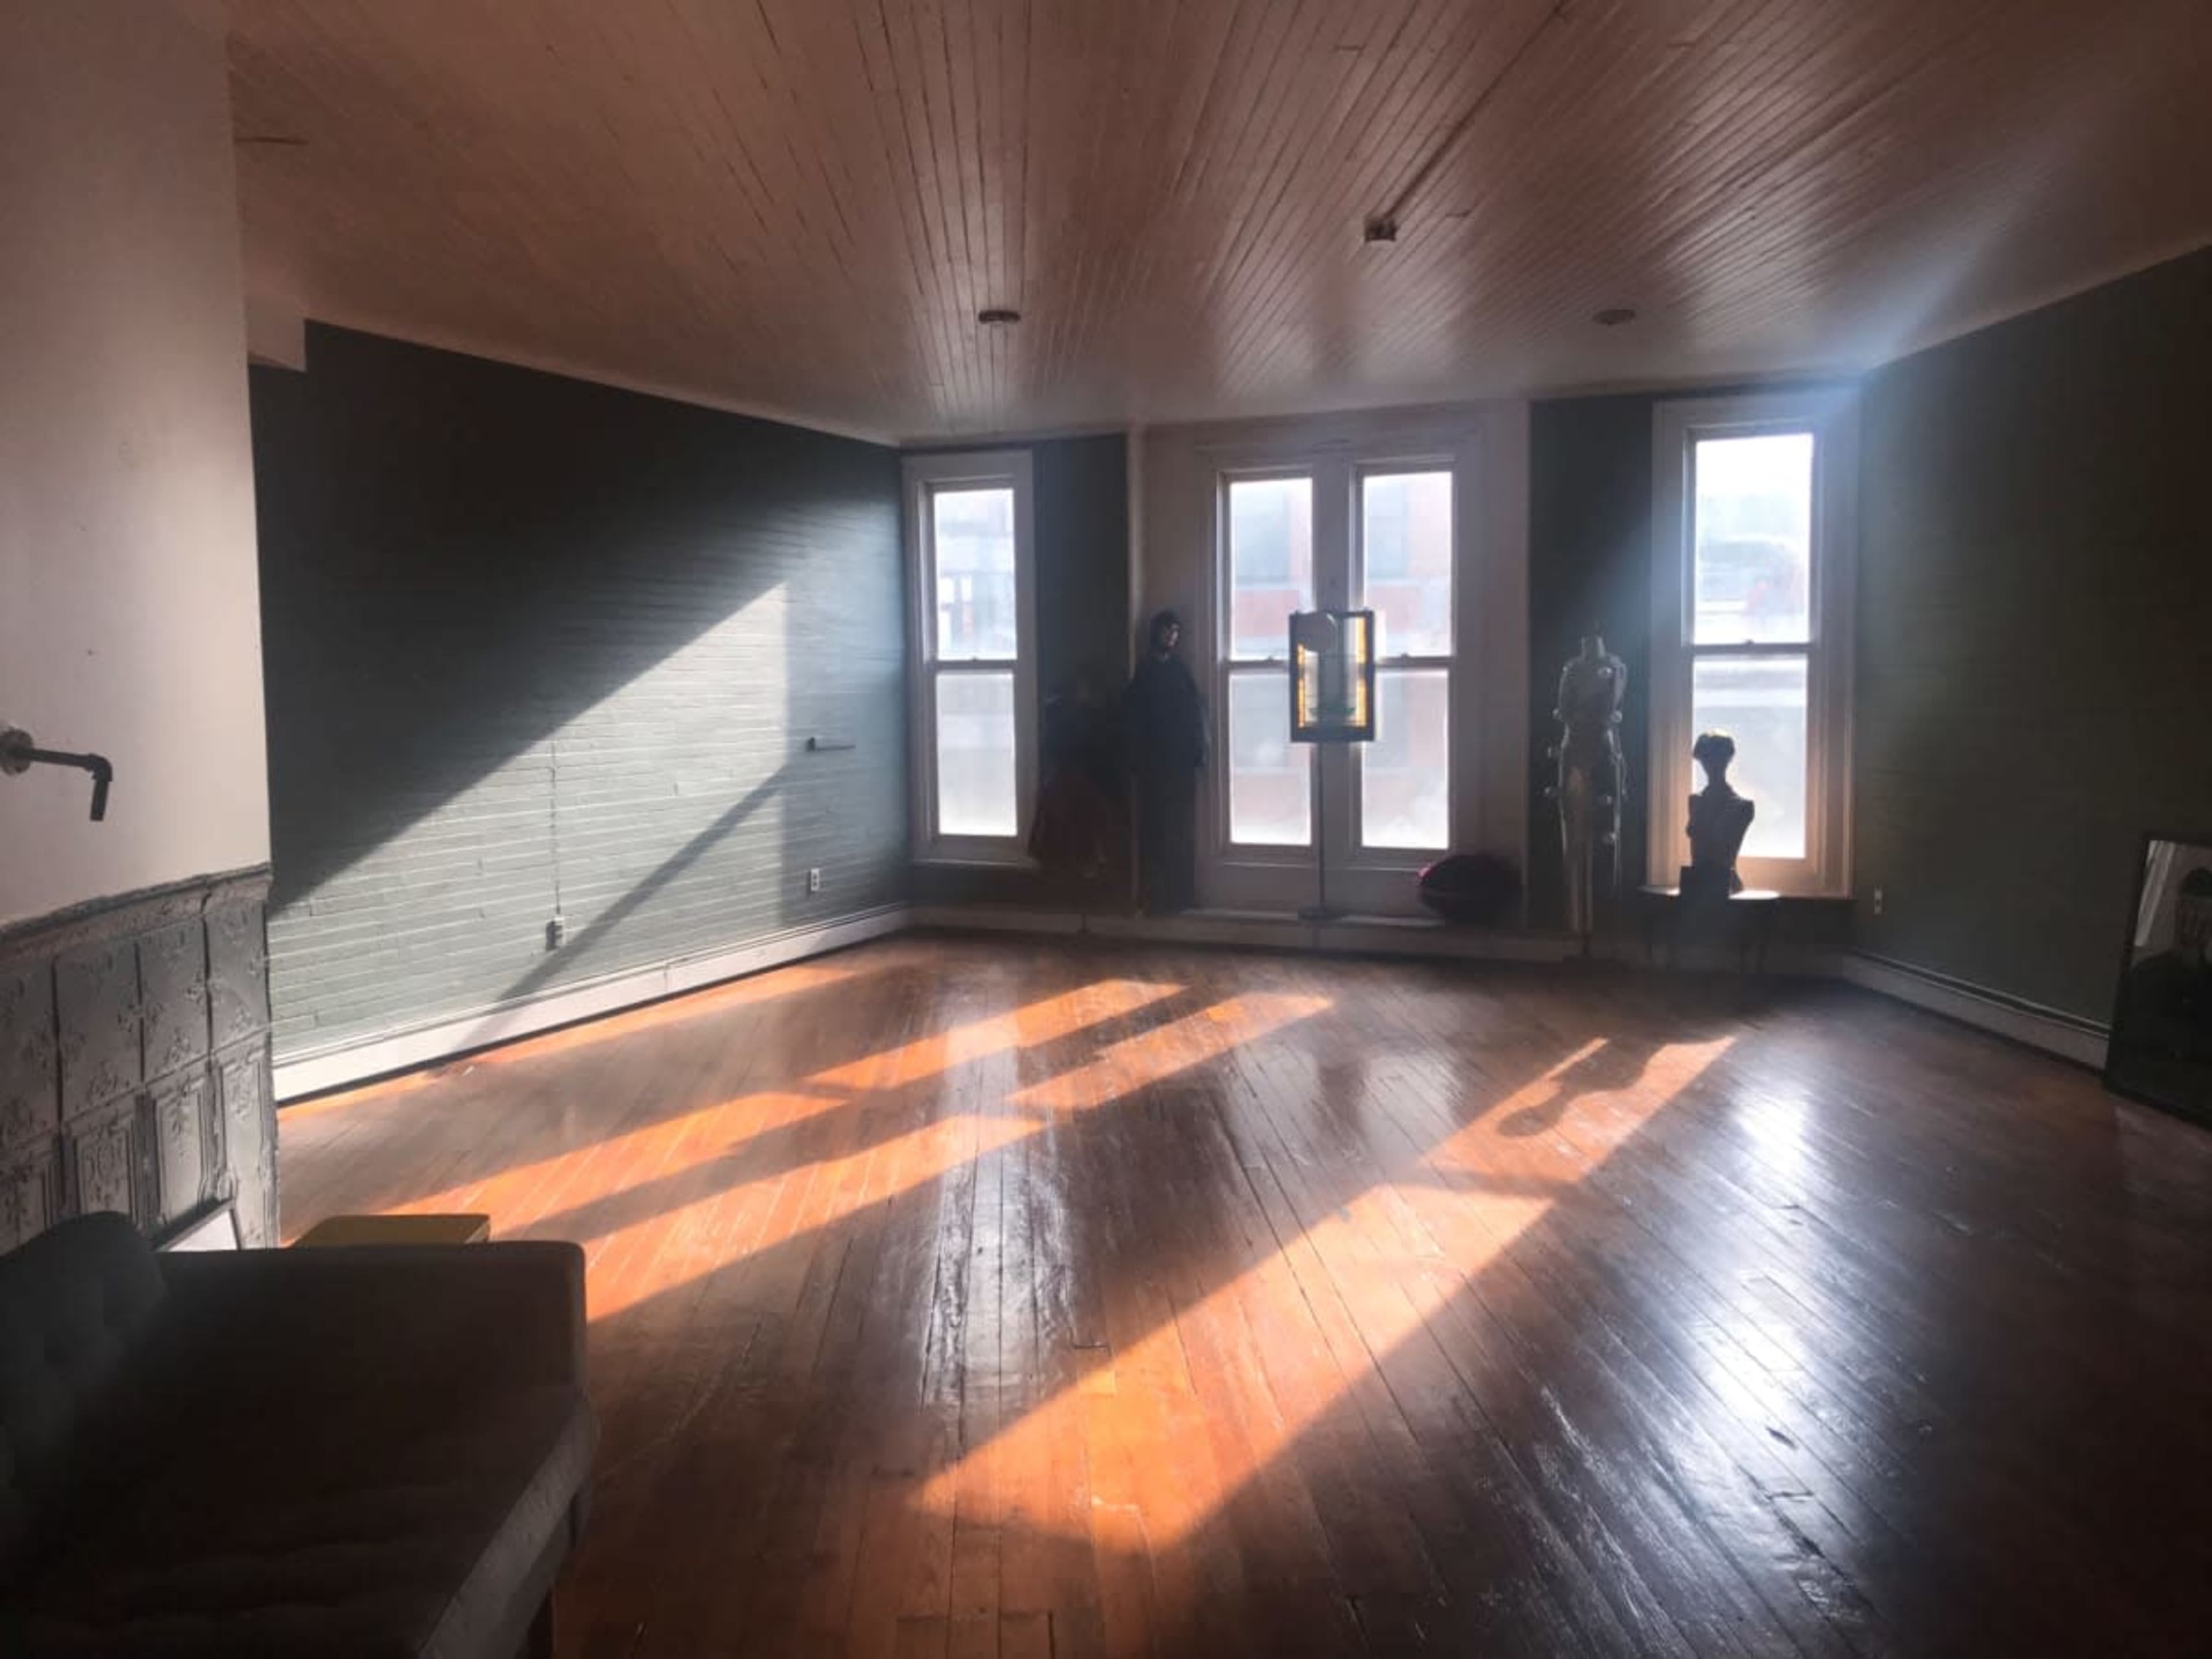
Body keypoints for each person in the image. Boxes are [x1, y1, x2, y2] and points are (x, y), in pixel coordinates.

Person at [1123, 609, 1206, 914]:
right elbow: (1133, 719)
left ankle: (1181, 894)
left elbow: (1195, 713)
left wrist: (1197, 751)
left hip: (1180, 765)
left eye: (1175, 632)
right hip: (1154, 768)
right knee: (1155, 832)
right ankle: (1156, 896)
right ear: (1155, 633)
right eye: (1167, 631)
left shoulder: (1181, 672)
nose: (1171, 637)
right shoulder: (1145, 674)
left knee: (1180, 831)